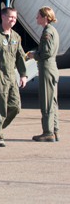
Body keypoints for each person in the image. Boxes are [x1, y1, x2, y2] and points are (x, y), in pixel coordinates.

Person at [0, 7, 27, 147]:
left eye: (15, 18)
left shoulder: (16, 37)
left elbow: (20, 57)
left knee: (15, 106)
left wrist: (23, 74)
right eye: (10, 17)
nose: (13, 20)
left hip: (11, 76)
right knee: (0, 108)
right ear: (3, 17)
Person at [27, 7, 60, 142]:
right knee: (52, 101)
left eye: (38, 16)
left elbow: (46, 52)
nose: (36, 19)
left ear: (45, 17)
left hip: (47, 67)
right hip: (51, 67)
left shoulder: (47, 32)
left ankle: (48, 131)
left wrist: (33, 55)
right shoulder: (52, 31)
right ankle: (55, 130)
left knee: (46, 100)